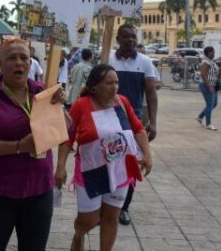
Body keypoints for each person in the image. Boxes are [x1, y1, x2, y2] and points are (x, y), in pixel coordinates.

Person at [0, 38, 64, 251]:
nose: (19, 63)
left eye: (24, 58)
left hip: (39, 189)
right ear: (0, 64)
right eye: (12, 58)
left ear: (31, 64)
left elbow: (64, 131)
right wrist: (19, 146)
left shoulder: (43, 93)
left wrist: (60, 108)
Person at [56, 64, 152, 251]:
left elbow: (138, 128)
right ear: (94, 86)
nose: (114, 87)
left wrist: (147, 155)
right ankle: (79, 235)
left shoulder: (122, 102)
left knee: (111, 218)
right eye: (109, 83)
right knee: (89, 220)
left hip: (120, 171)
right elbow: (67, 138)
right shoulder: (81, 106)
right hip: (91, 172)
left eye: (116, 82)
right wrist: (60, 166)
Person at [108, 24, 157, 226]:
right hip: (107, 118)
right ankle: (107, 206)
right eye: (126, 36)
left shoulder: (145, 62)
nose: (131, 40)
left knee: (130, 165)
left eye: (133, 37)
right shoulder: (107, 59)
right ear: (117, 38)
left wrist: (153, 121)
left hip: (132, 121)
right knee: (108, 163)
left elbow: (151, 93)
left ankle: (124, 207)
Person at [196, 46, 220, 130]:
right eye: (211, 52)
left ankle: (200, 116)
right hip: (206, 85)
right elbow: (203, 74)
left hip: (214, 85)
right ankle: (208, 124)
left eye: (213, 52)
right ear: (207, 53)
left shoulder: (212, 62)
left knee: (214, 103)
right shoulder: (205, 62)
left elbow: (215, 72)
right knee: (210, 104)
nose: (213, 53)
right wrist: (209, 86)